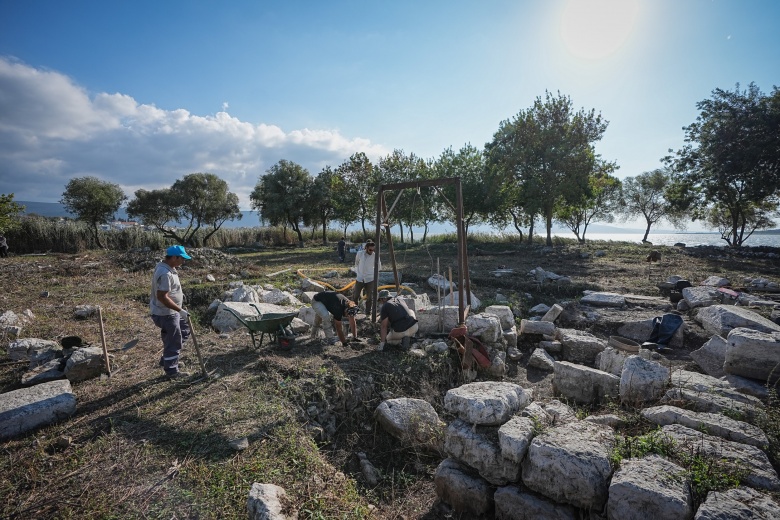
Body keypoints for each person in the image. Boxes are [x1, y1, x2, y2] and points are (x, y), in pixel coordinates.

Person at [150, 245, 192, 379]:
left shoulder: (169, 268)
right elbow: (162, 296)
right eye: (182, 258)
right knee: (174, 340)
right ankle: (172, 371)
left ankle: (167, 359)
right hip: (166, 313)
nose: (183, 261)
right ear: (174, 257)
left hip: (172, 312)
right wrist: (180, 310)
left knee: (185, 330)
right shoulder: (165, 273)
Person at [353, 239, 381, 319]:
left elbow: (379, 267)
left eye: (373, 249)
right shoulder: (360, 254)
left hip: (370, 279)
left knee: (369, 297)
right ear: (366, 248)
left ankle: (368, 313)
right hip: (360, 278)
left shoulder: (375, 256)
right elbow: (356, 262)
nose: (371, 251)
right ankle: (354, 311)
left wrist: (371, 272)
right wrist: (358, 271)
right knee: (356, 295)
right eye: (370, 249)